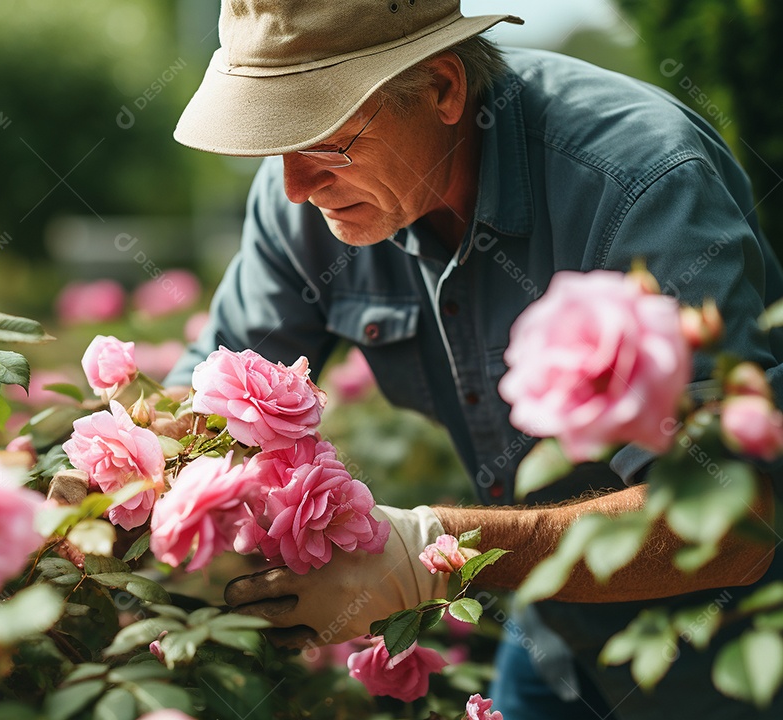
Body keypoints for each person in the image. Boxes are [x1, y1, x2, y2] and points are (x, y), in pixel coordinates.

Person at [162, 0, 783, 718]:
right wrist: (120, 479)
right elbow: (212, 388)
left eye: (325, 140)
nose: (296, 185)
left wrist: (436, 548)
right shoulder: (302, 202)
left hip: (732, 645)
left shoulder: (640, 184)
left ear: (444, 89)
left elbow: (735, 526)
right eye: (275, 138)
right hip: (551, 626)